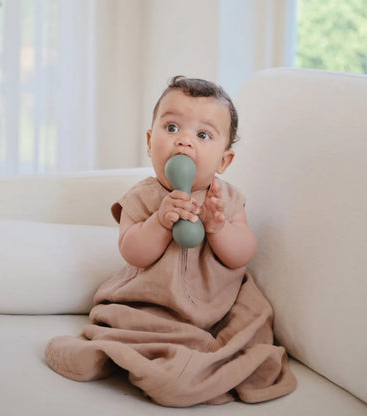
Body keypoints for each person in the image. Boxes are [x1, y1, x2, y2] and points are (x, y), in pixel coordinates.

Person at [45, 76, 296, 407]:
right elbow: (134, 253)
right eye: (172, 128)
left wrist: (218, 229)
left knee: (251, 318)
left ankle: (196, 362)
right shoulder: (142, 197)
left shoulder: (227, 200)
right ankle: (116, 354)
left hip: (219, 308)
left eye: (203, 135)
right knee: (126, 326)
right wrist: (160, 222)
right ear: (150, 142)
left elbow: (243, 254)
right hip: (153, 310)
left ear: (224, 160)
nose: (184, 142)